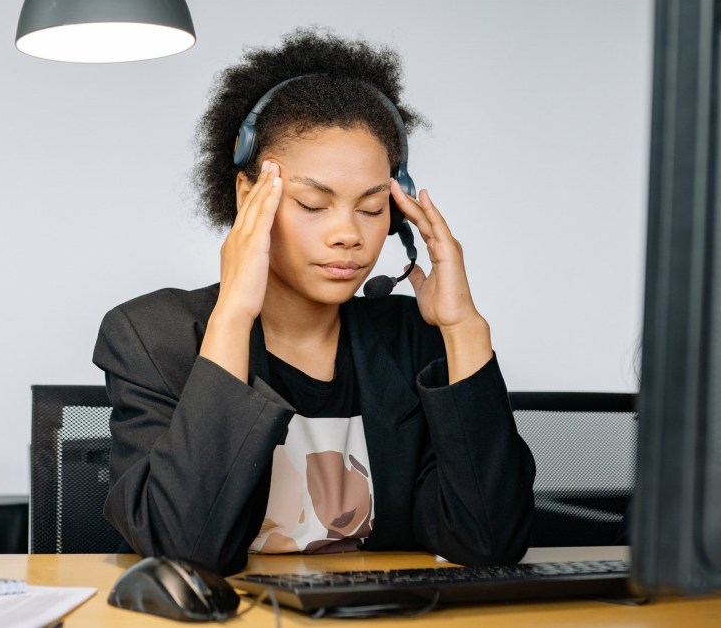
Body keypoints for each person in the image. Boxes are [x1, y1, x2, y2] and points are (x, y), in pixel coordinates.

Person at [93, 28, 535, 575]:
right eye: (312, 204)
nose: (348, 234)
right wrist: (233, 312)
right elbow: (185, 551)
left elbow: (490, 540)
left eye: (372, 209)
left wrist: (464, 327)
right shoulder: (153, 335)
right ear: (248, 197)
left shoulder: (410, 339)